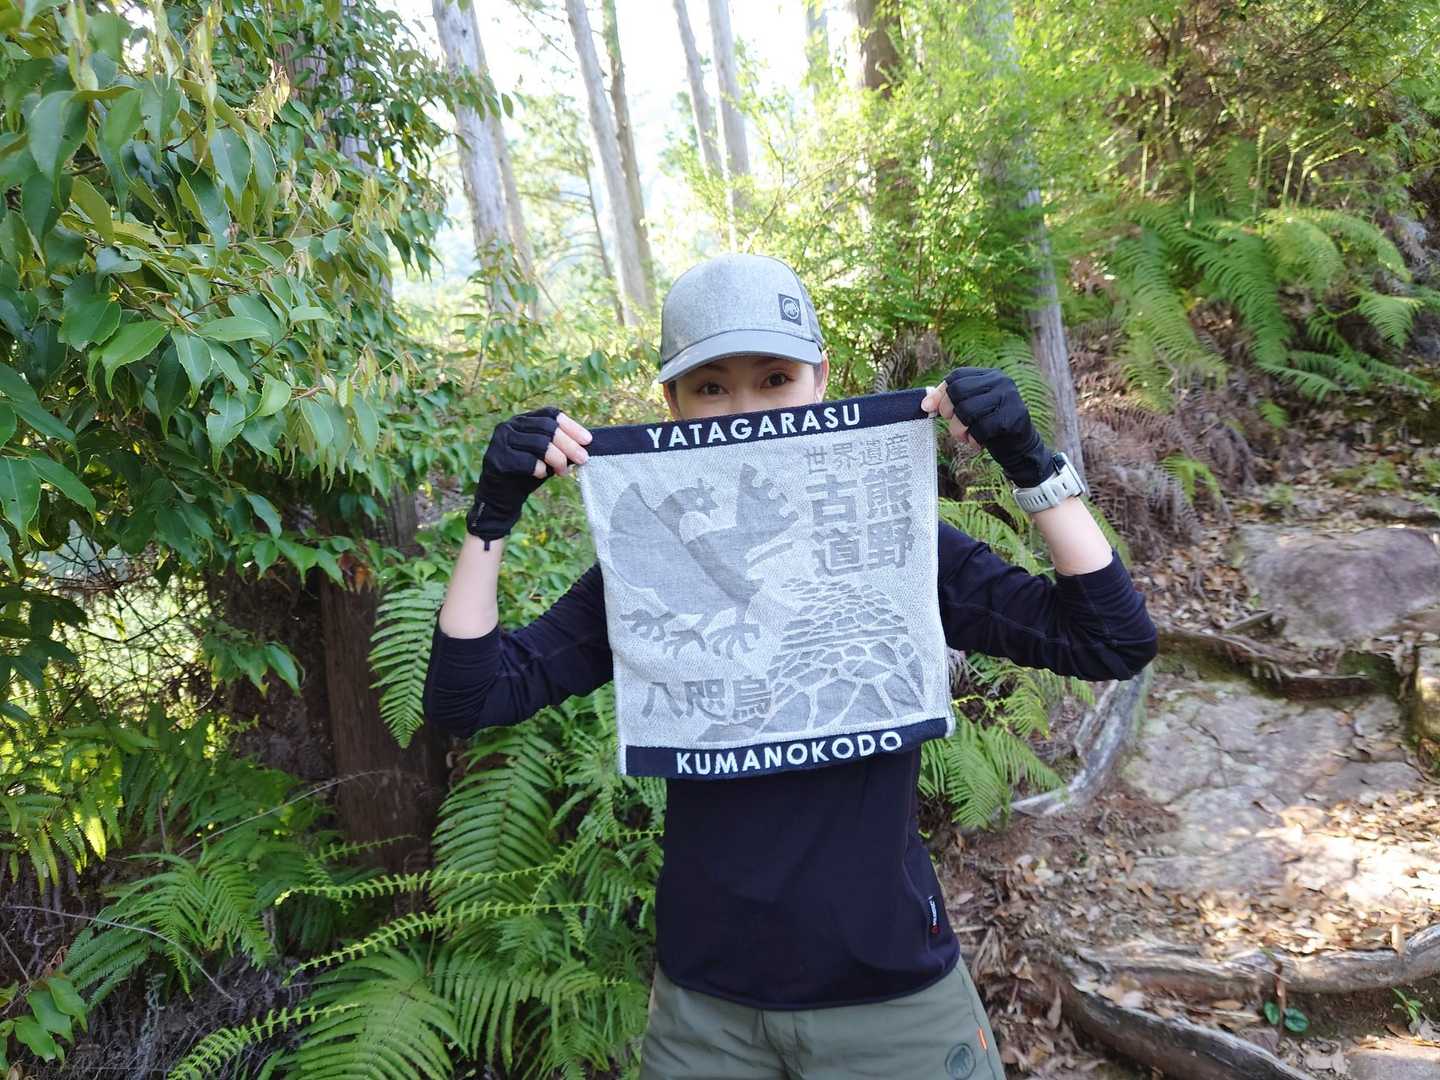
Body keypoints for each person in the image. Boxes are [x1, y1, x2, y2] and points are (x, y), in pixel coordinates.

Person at [423, 253, 1159, 1079]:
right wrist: (491, 517)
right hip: (706, 1018)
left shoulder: (890, 542)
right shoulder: (654, 571)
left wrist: (1031, 463)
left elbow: (1110, 641)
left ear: (821, 380)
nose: (746, 410)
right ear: (672, 405)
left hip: (895, 1007)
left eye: (774, 379)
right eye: (712, 387)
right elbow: (470, 698)